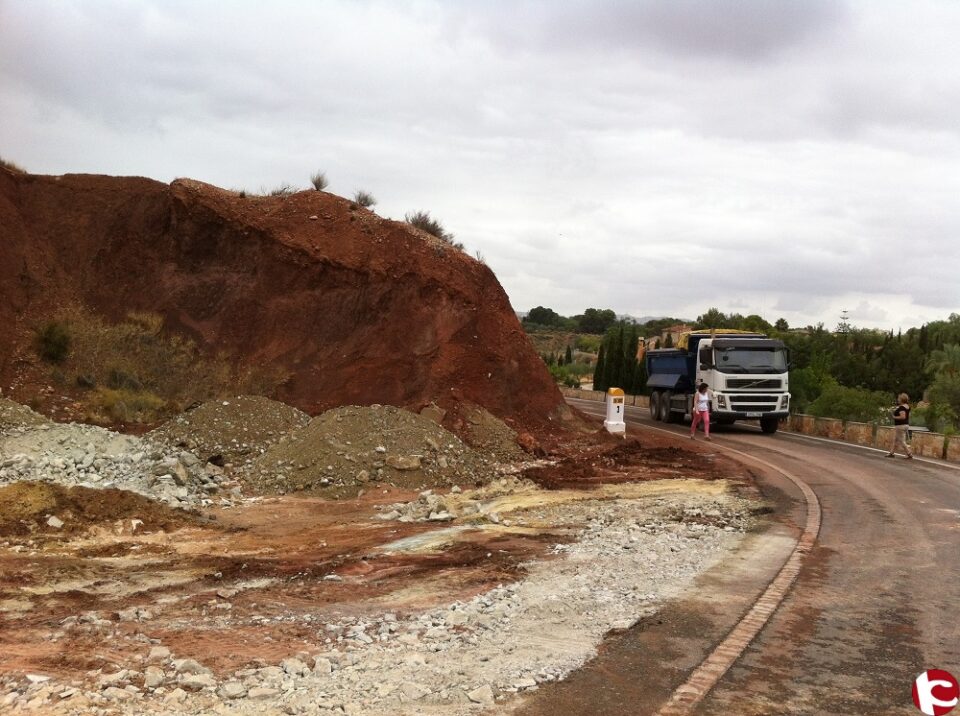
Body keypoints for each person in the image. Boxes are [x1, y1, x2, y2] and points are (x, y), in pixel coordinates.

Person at [886, 393, 913, 459]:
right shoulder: (907, 407)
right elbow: (907, 416)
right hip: (905, 424)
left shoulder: (902, 407)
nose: (898, 400)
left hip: (900, 425)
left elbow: (903, 417)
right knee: (896, 440)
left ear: (902, 399)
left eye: (899, 398)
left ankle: (909, 454)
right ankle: (891, 453)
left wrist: (894, 417)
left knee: (902, 441)